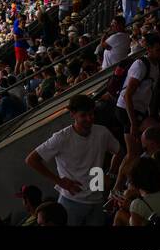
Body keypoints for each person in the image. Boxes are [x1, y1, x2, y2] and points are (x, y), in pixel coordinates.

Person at [26, 94, 120, 226]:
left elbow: (119, 152)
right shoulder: (61, 138)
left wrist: (111, 173)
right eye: (83, 115)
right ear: (72, 114)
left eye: (92, 114)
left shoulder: (102, 132)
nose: (89, 119)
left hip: (97, 199)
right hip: (71, 201)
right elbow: (31, 160)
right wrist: (59, 181)